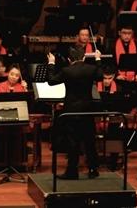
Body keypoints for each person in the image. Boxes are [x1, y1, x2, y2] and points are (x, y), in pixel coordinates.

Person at [46, 46, 103, 179]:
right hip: (87, 110)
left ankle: (72, 171)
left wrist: (51, 63)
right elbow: (100, 76)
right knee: (89, 140)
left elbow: (51, 81)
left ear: (69, 59)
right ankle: (93, 169)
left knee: (73, 141)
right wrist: (98, 59)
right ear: (83, 57)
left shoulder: (66, 71)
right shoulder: (91, 69)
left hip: (71, 111)